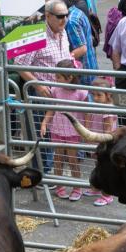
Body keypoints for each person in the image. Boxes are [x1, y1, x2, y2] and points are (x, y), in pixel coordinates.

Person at [39, 60, 90, 201]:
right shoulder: (55, 89)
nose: (56, 80)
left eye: (59, 77)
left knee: (73, 160)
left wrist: (85, 129)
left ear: (70, 78)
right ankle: (60, 185)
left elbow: (87, 112)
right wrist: (44, 122)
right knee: (58, 158)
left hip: (73, 131)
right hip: (57, 129)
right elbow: (53, 108)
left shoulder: (81, 92)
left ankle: (76, 186)